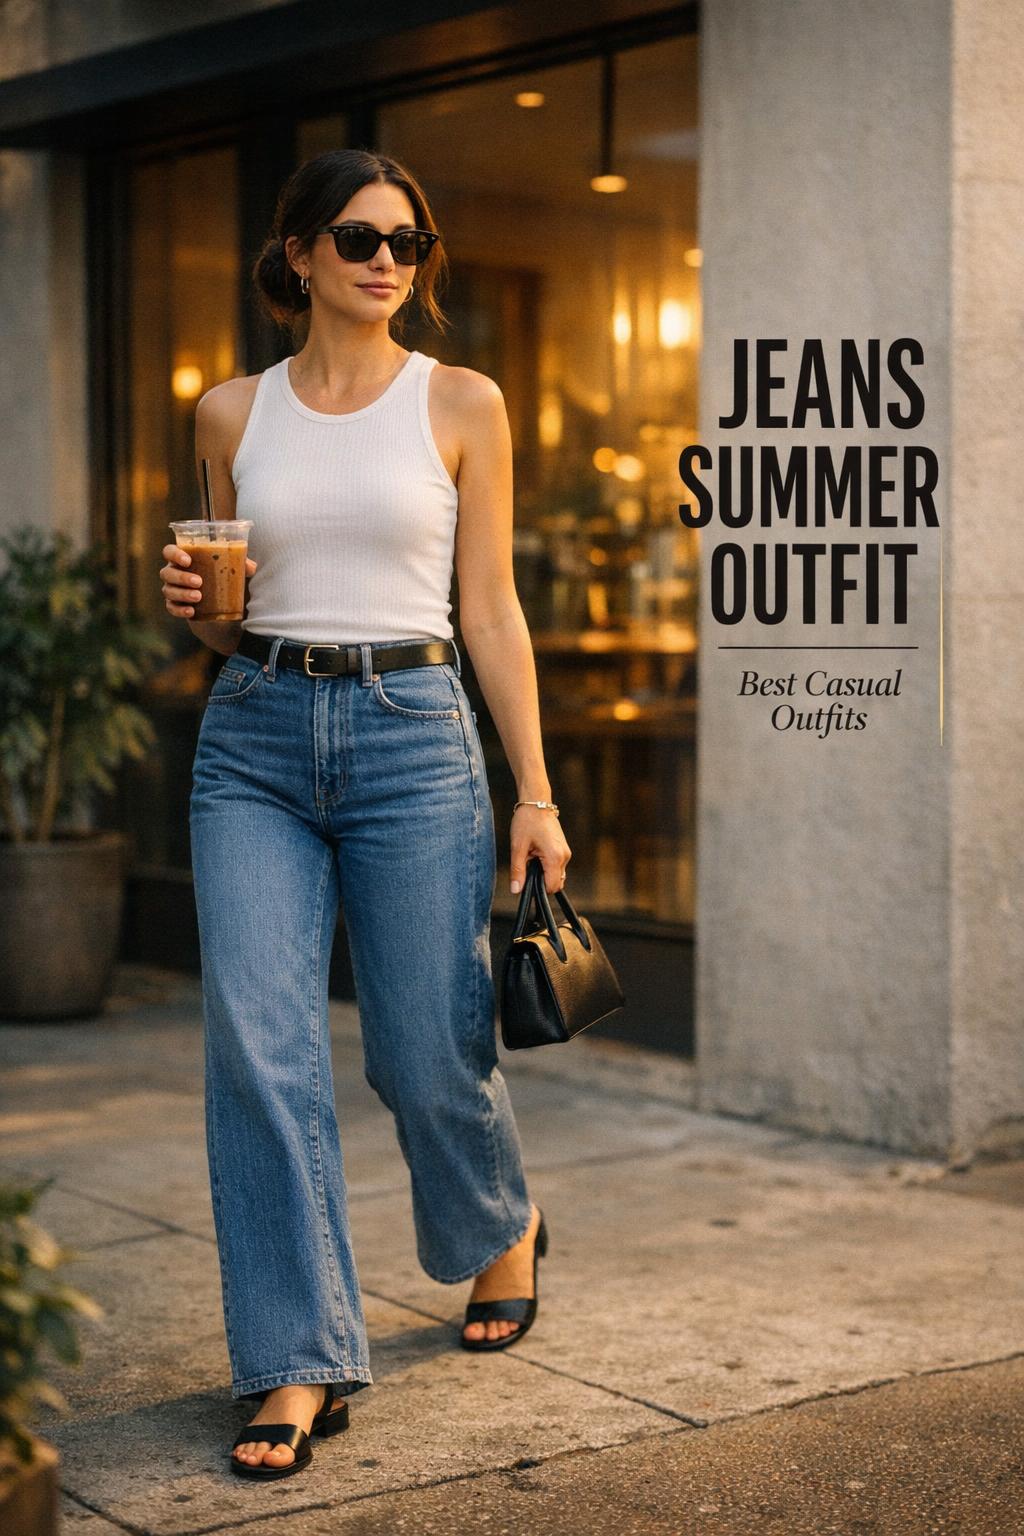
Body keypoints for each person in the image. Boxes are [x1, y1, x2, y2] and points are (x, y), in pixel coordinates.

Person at [158, 148, 571, 1482]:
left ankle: (500, 1225)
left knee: (424, 1046)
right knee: (259, 1050)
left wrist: (536, 792)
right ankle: (295, 1358)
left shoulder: (463, 402)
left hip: (413, 735)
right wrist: (198, 607)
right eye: (358, 237)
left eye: (409, 241)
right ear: (297, 254)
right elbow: (227, 627)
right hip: (256, 738)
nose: (387, 259)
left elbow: (490, 608)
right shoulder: (231, 413)